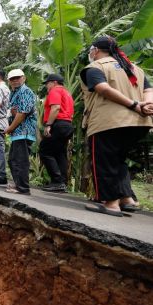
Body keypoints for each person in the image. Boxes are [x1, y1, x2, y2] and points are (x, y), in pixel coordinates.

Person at [80, 36, 153, 217]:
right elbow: (149, 91)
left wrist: (133, 105)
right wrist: (146, 106)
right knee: (118, 160)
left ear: (95, 50)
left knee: (103, 161)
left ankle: (111, 203)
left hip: (108, 121)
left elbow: (103, 89)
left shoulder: (95, 67)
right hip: (138, 123)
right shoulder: (134, 68)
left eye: (91, 50)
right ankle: (127, 199)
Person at [39, 74, 75, 192]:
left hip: (58, 124)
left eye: (47, 83)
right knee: (60, 153)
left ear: (54, 82)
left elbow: (55, 108)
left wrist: (49, 125)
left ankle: (57, 181)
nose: (46, 86)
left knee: (45, 151)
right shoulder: (67, 93)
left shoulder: (55, 90)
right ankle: (62, 182)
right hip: (67, 124)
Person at [5, 69, 38, 195]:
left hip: (23, 131)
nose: (15, 80)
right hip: (18, 132)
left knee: (20, 160)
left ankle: (23, 188)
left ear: (23, 78)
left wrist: (10, 128)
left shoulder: (25, 91)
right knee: (13, 159)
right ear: (9, 81)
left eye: (17, 78)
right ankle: (19, 184)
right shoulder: (14, 93)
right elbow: (14, 111)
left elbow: (22, 113)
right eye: (12, 79)